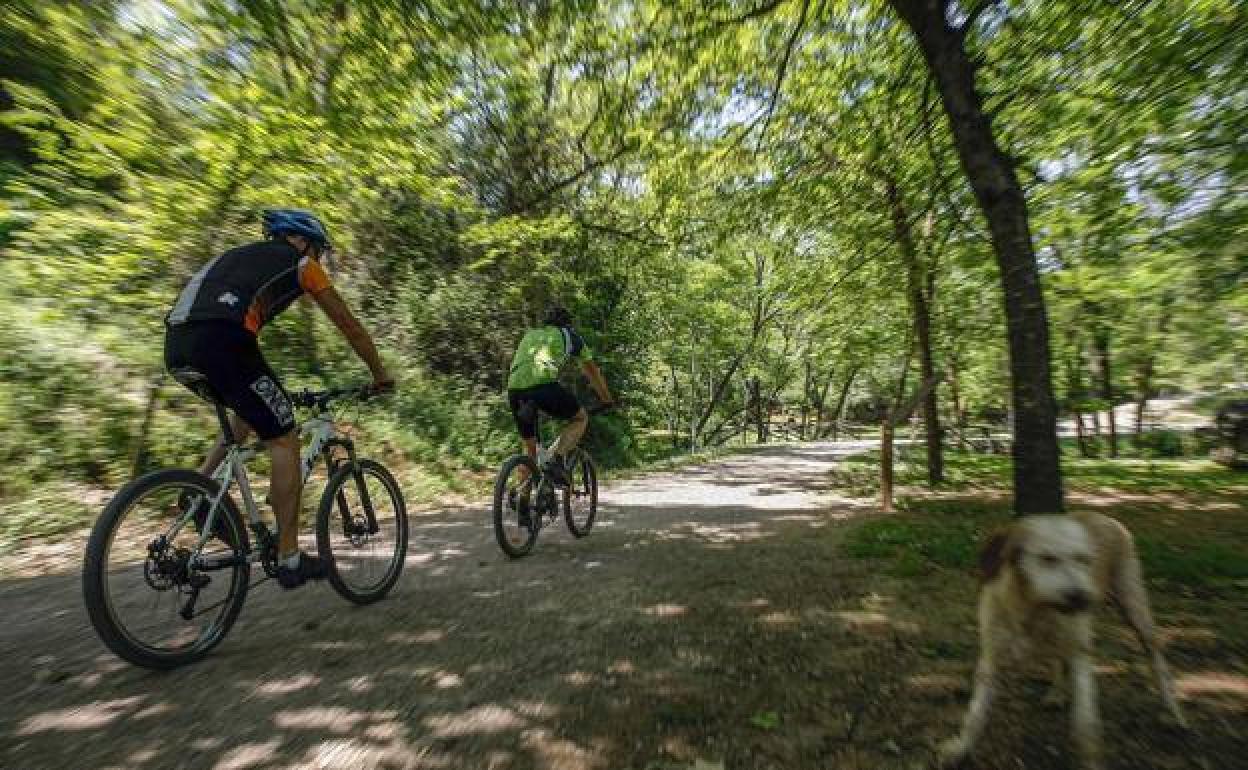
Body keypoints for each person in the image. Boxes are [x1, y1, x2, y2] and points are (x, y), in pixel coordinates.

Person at [163, 209, 393, 588]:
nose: (318, 259)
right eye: (318, 250)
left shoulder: (234, 257)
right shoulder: (302, 263)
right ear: (301, 241)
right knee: (284, 436)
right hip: (224, 341)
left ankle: (199, 491)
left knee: (251, 412)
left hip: (177, 344)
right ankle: (289, 558)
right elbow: (349, 325)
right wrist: (379, 374)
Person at [506, 305, 614, 496]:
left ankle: (523, 502)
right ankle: (556, 460)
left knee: (530, 448)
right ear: (567, 325)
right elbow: (591, 371)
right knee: (580, 418)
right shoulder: (570, 336)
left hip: (514, 389)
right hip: (542, 385)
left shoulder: (531, 334)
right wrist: (607, 399)